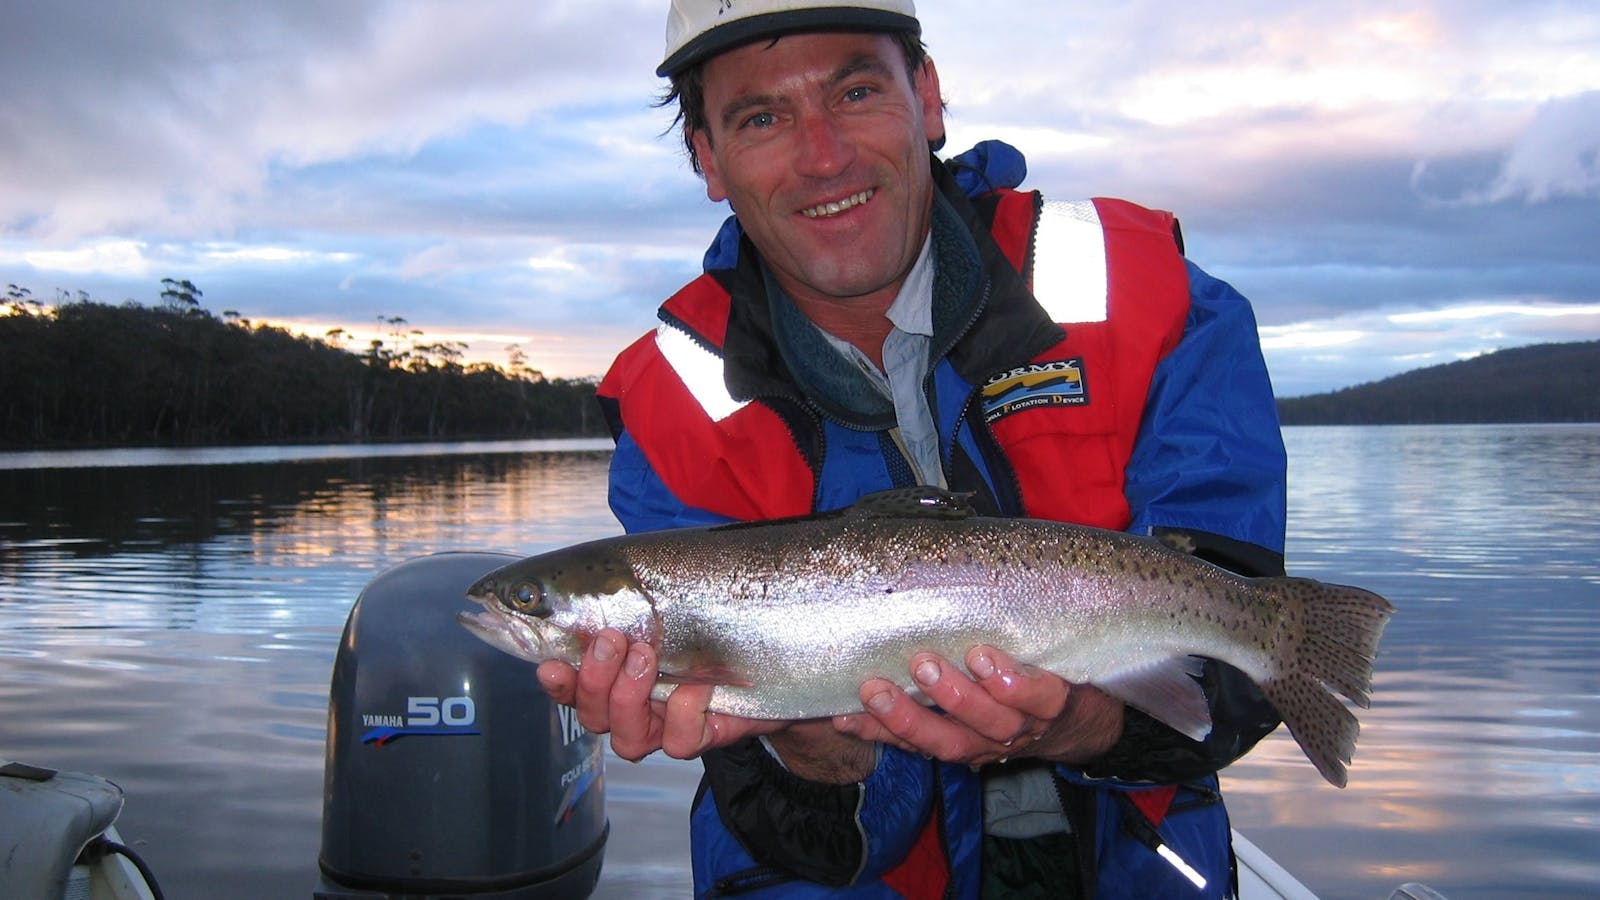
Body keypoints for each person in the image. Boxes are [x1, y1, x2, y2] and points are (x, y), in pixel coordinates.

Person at [539, 1, 1289, 896]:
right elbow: (801, 832)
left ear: (927, 97)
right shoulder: (671, 403)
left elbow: (1240, 670)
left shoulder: (1154, 296)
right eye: (762, 116)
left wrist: (1082, 723)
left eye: (855, 90)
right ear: (707, 156)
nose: (824, 156)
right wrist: (806, 741)